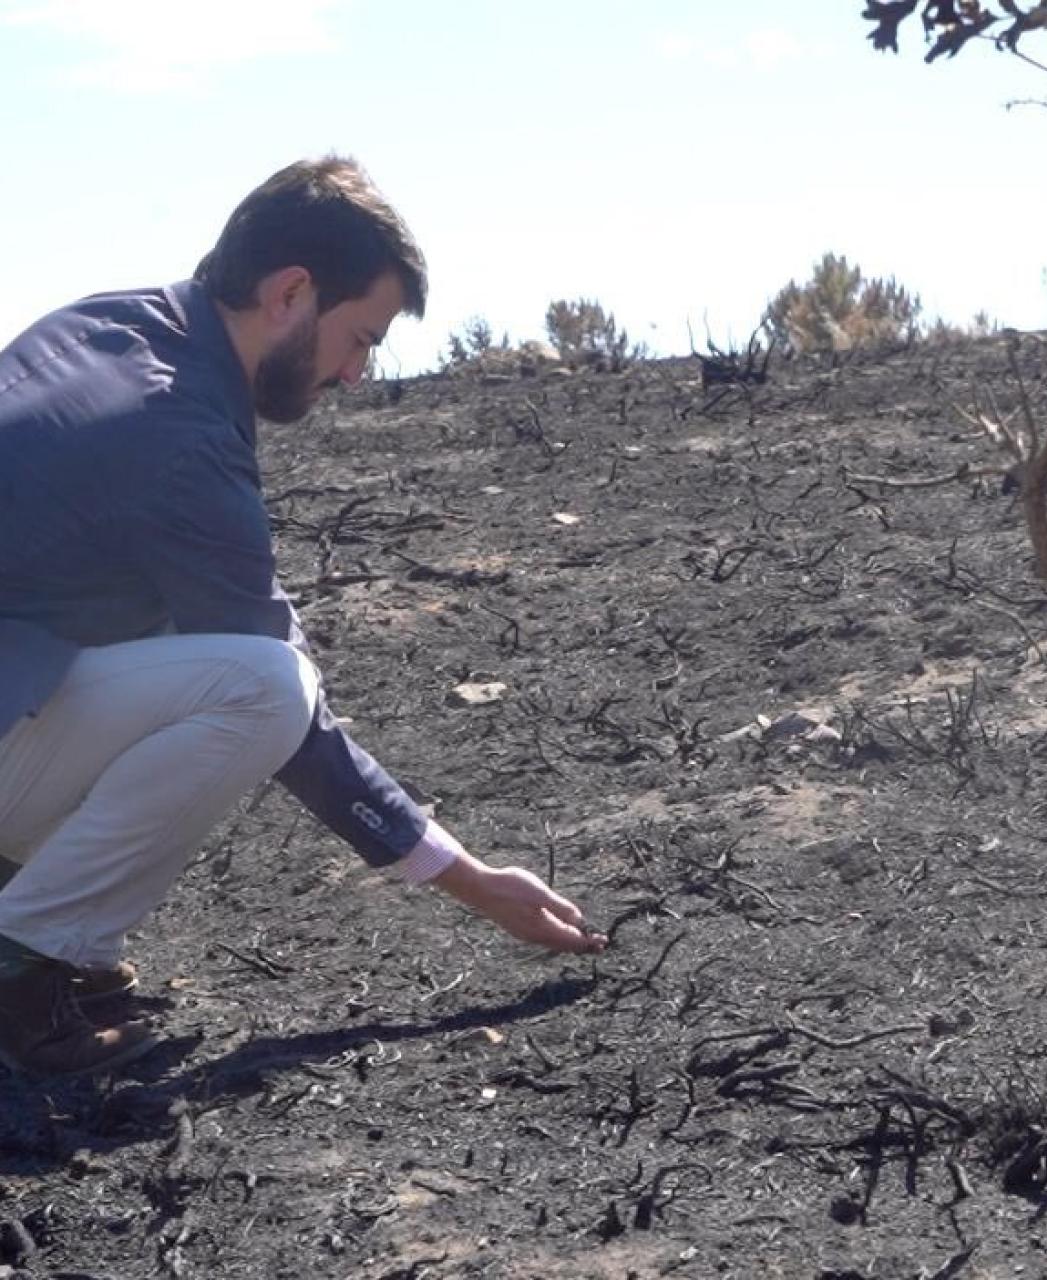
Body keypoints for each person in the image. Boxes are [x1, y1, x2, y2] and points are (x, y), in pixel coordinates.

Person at [0, 156, 606, 1078]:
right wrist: (473, 882)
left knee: (179, 645)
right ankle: (22, 963)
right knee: (261, 690)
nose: (358, 374)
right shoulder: (178, 435)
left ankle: (49, 939)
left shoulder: (105, 326)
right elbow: (287, 703)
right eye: (361, 337)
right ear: (291, 292)